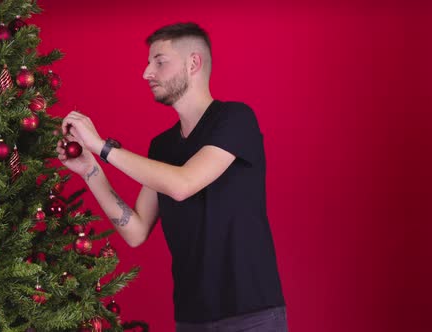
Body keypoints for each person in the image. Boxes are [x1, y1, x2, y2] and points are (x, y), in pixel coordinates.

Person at [57, 22, 287, 332]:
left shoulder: (235, 118)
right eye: (149, 62)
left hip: (251, 313)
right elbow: (136, 231)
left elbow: (182, 184)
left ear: (194, 63)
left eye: (159, 61)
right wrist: (91, 171)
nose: (146, 73)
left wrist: (101, 147)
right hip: (191, 318)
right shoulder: (162, 146)